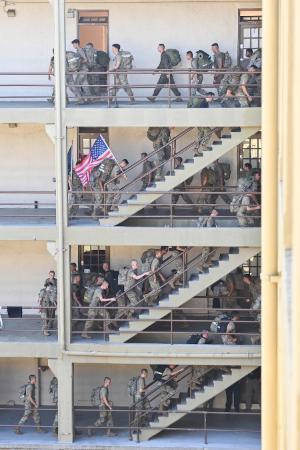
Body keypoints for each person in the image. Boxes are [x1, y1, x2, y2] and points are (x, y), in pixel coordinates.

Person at [70, 39, 92, 104]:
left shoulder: (80, 50)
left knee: (76, 84)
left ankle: (80, 100)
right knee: (85, 85)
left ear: (77, 44)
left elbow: (85, 59)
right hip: (84, 70)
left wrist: (78, 63)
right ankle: (89, 99)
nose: (73, 46)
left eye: (73, 44)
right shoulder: (79, 50)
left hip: (83, 70)